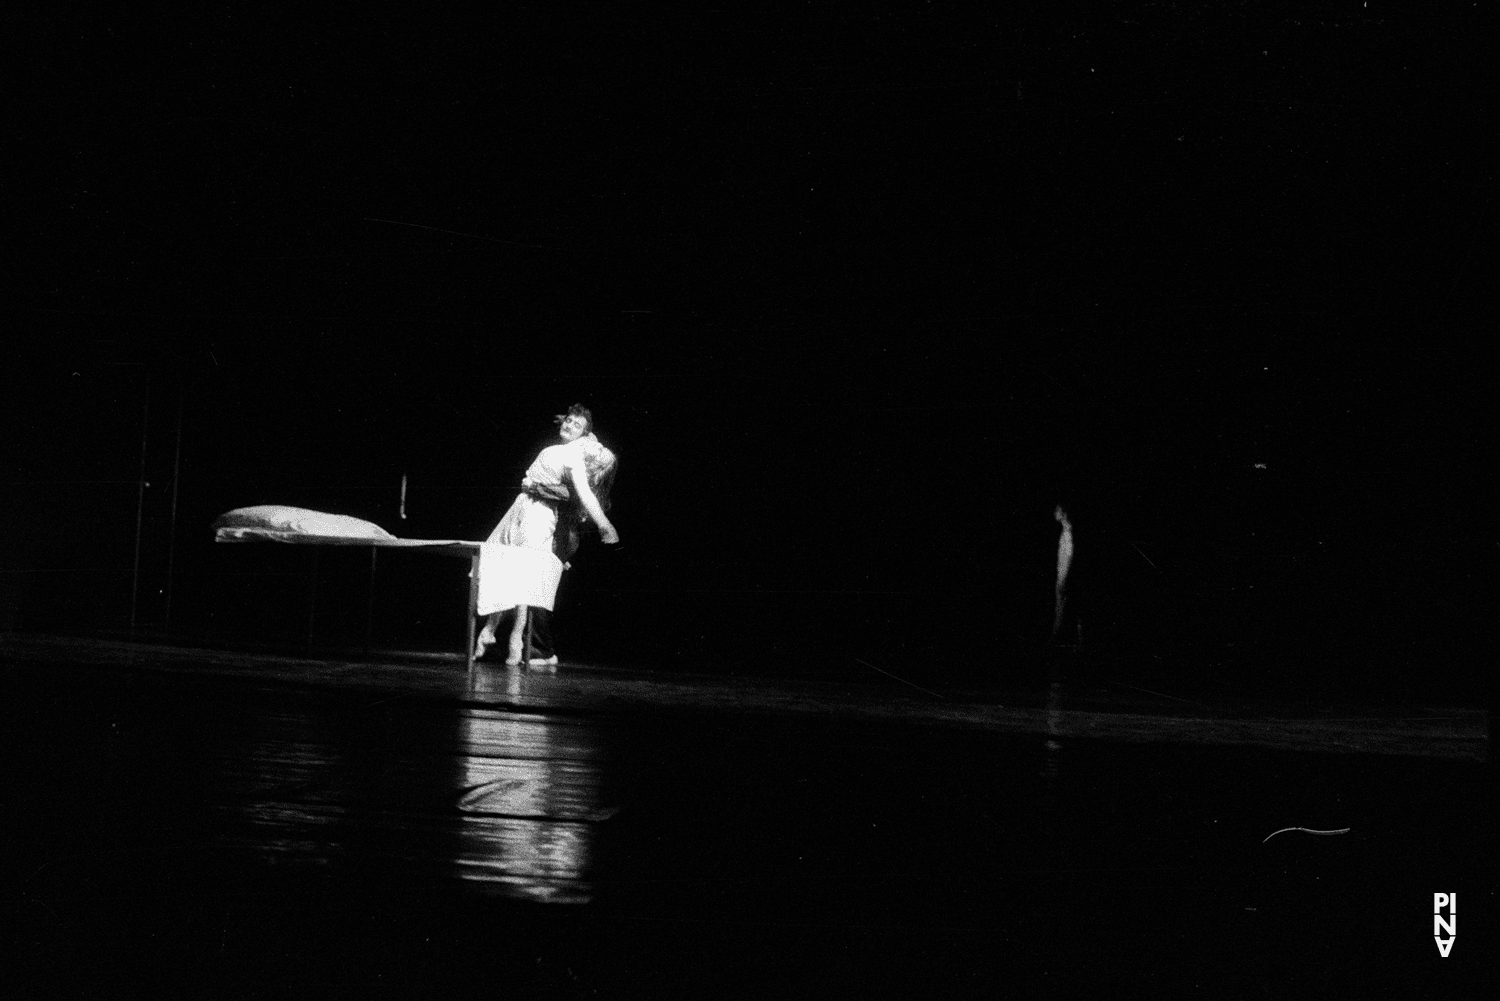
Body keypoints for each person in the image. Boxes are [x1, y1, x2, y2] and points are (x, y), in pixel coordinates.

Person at [474, 405, 619, 667]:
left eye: (576, 425)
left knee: (525, 575)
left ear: (584, 437)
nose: (569, 425)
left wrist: (604, 524)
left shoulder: (575, 457)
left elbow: (584, 494)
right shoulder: (563, 449)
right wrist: (572, 423)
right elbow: (580, 432)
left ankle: (517, 639)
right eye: (568, 421)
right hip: (521, 507)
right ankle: (490, 630)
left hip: (541, 515)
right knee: (504, 566)